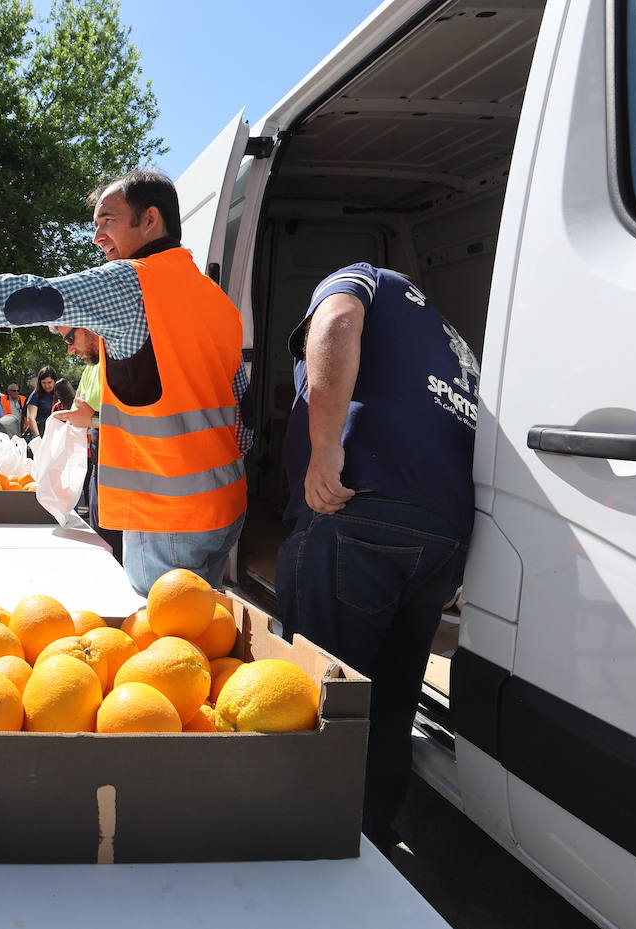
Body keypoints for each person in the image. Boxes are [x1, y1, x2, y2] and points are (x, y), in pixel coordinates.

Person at [0, 168, 246, 596]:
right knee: (206, 625)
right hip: (225, 504)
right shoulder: (216, 300)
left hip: (169, 518)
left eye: (107, 220)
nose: (97, 237)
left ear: (150, 220)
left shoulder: (133, 281)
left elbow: (13, 299)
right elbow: (241, 415)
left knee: (168, 633)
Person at [275, 262, 477, 854]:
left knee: (320, 694)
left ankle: (305, 845)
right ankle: (371, 843)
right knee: (391, 699)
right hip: (442, 532)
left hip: (360, 510)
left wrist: (324, 449)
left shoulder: (360, 278)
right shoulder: (453, 342)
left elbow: (338, 321)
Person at [22, 366, 60, 438]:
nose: (47, 386)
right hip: (41, 433)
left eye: (49, 382)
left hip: (57, 433)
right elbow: (31, 418)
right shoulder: (35, 395)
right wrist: (38, 437)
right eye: (44, 383)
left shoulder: (60, 393)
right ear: (40, 382)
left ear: (55, 381)